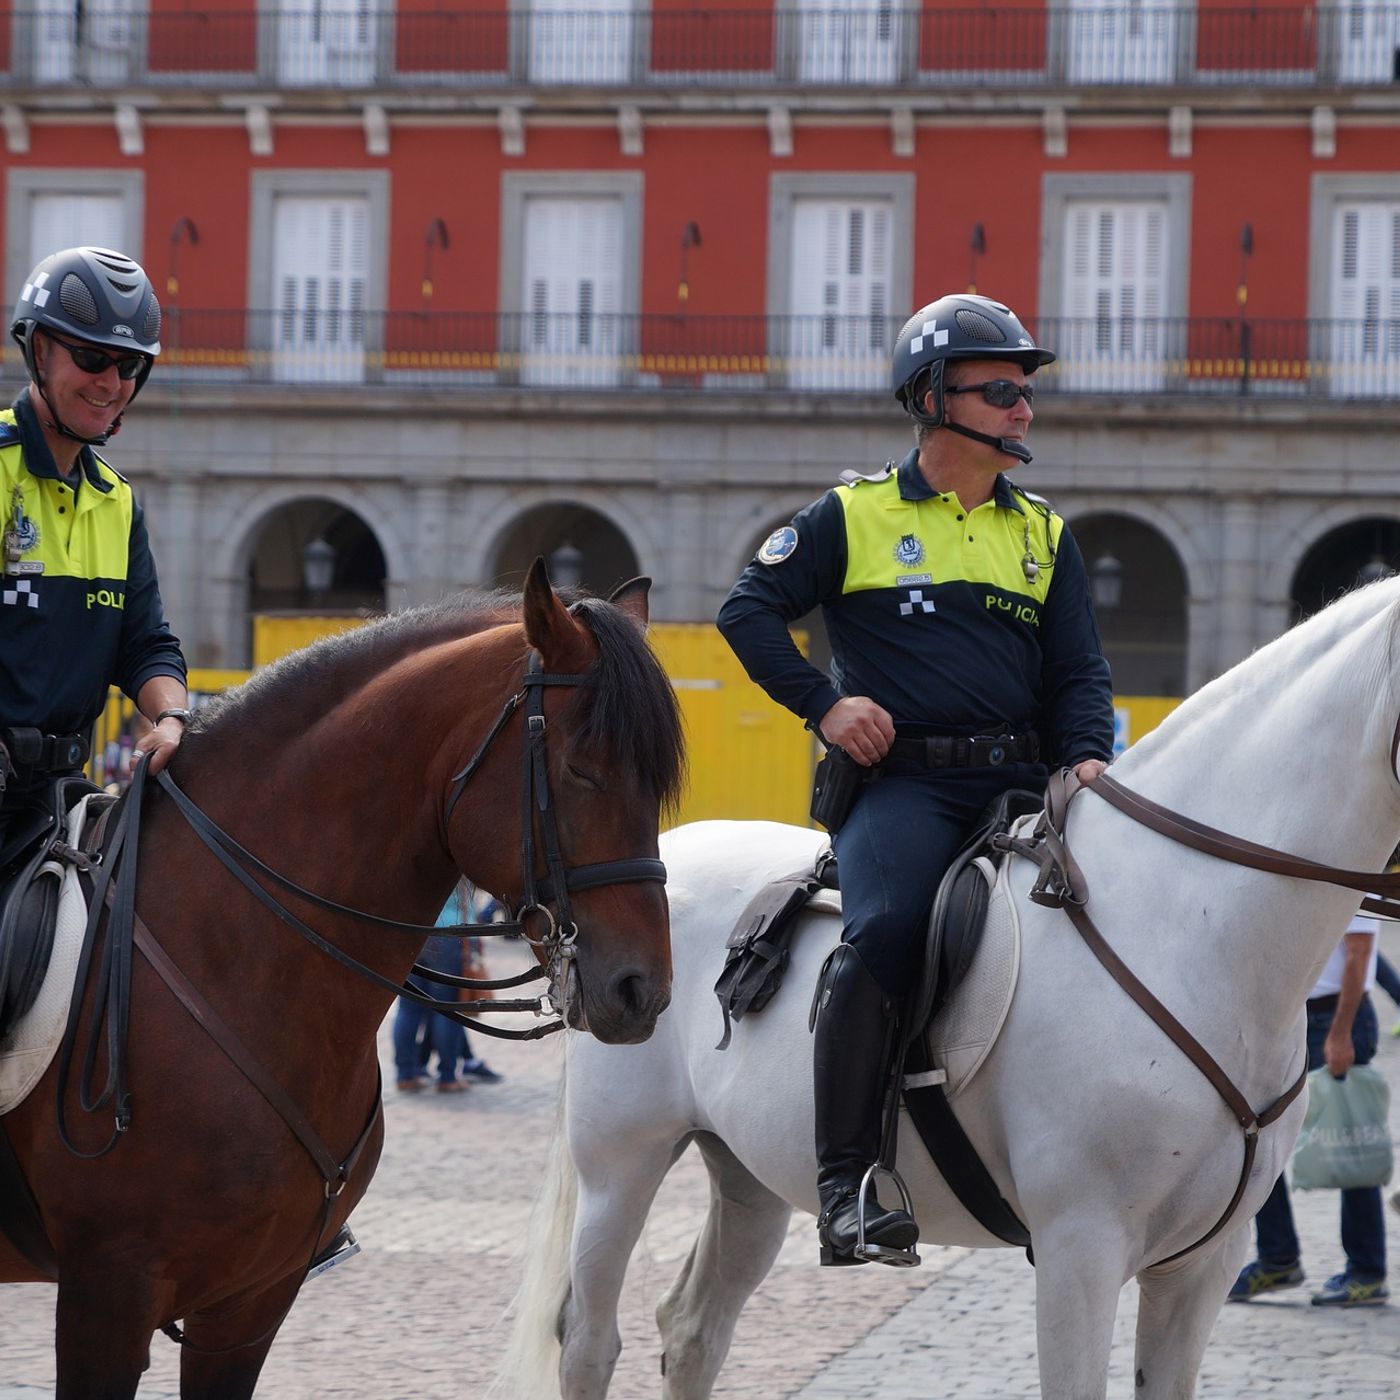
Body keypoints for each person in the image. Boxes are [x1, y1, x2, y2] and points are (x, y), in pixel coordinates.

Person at [716, 293, 1114, 1267]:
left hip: (1025, 784)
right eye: (1001, 389)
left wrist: (1087, 756)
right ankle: (847, 1182)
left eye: (1025, 391)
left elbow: (1076, 673)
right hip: (903, 790)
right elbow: (748, 609)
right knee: (887, 928)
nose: (1023, 407)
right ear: (933, 396)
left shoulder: (1044, 534)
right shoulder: (853, 516)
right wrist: (823, 703)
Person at [1, 246, 188, 853]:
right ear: (39, 351)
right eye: (90, 357)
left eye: (130, 366)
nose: (110, 382)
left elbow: (146, 646)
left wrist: (171, 719)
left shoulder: (117, 502)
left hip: (63, 797)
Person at [1229, 911, 1389, 1307]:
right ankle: (1277, 1257)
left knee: (1349, 1143)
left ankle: (1368, 1270)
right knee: (1259, 1136)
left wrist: (1340, 1033)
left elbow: (1360, 953)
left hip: (1334, 1019)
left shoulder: (1358, 871)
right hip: (1291, 1016)